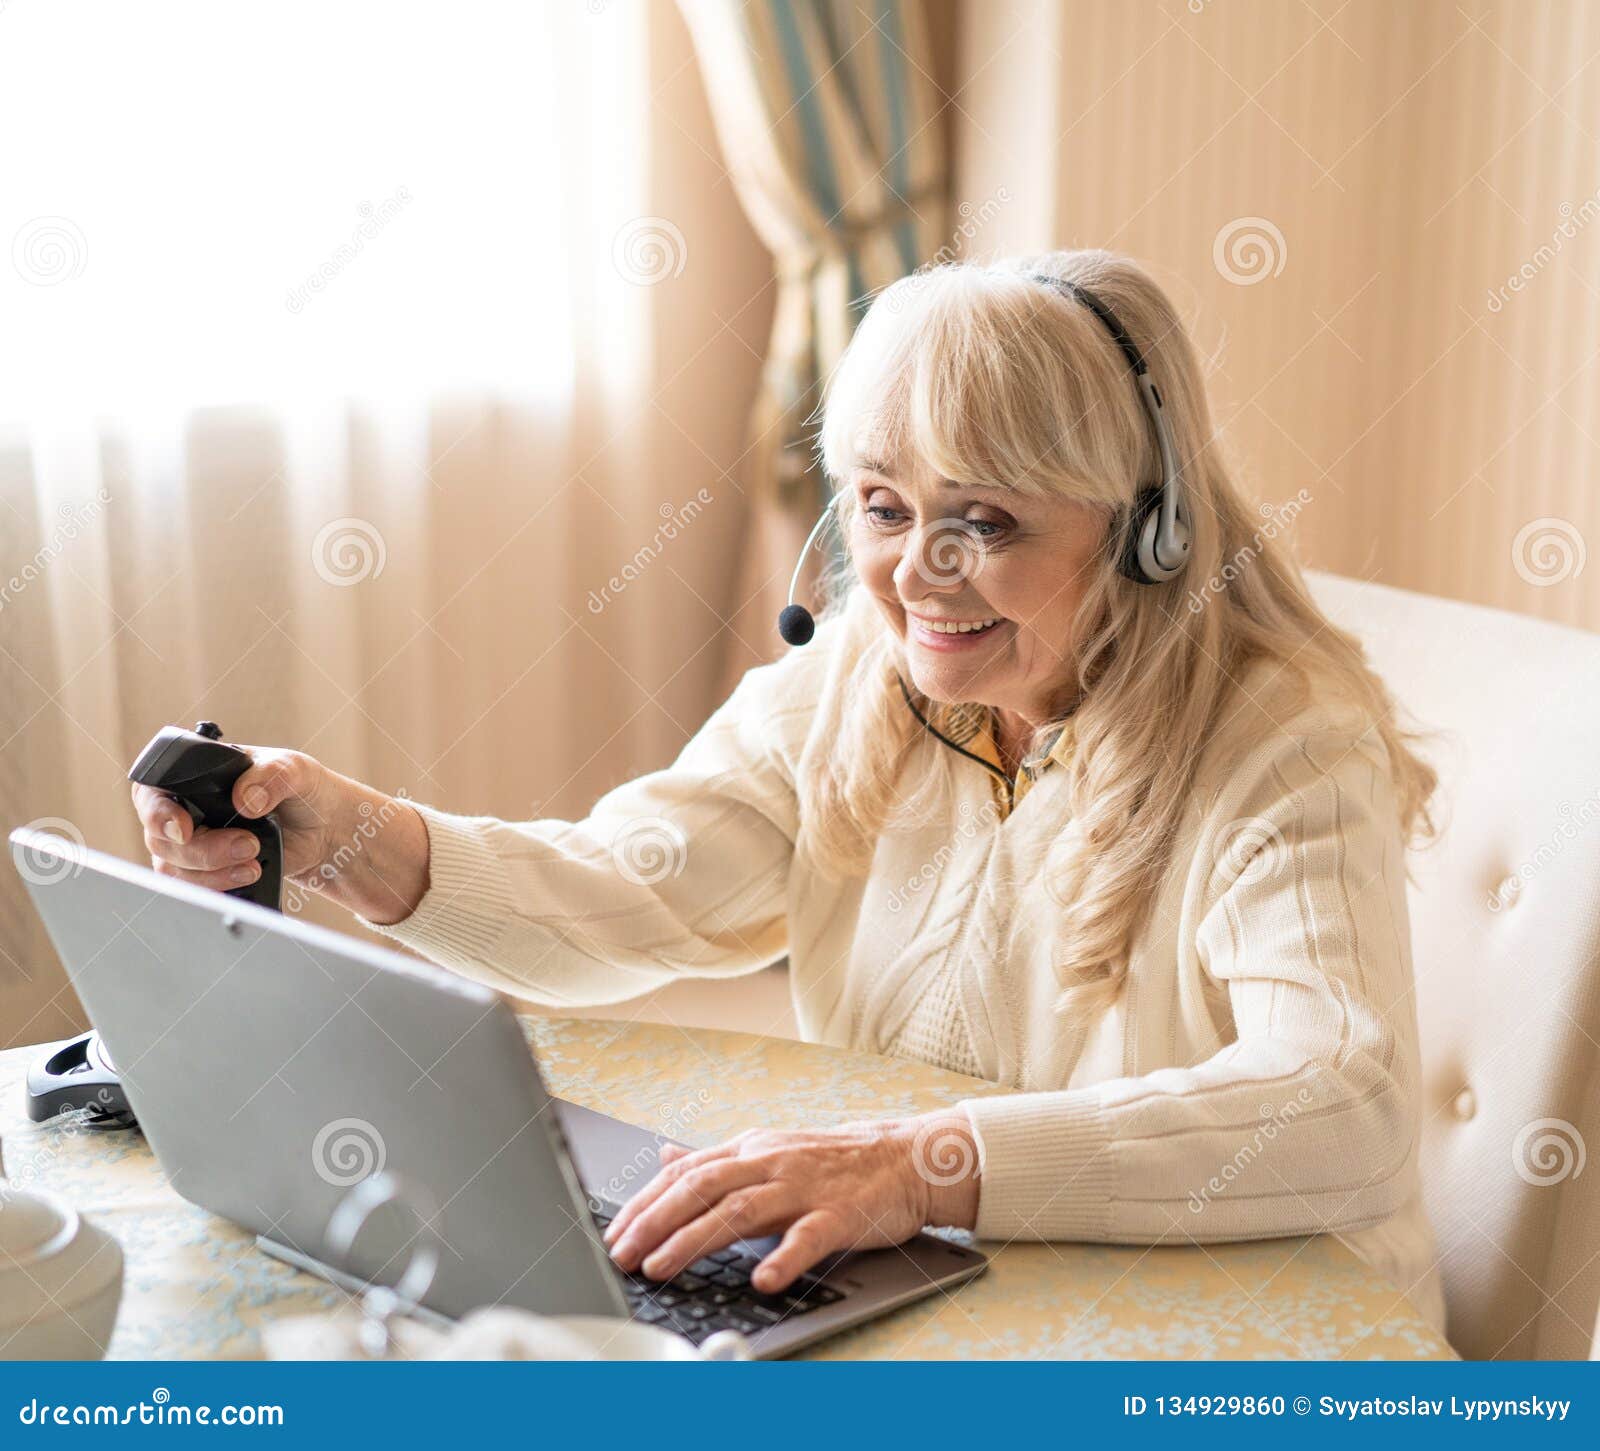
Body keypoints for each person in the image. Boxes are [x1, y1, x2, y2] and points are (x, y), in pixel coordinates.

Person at [132, 250, 1446, 1332]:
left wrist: (921, 1164)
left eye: (983, 521)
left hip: (1247, 1341)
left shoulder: (1284, 740)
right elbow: (618, 896)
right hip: (972, 1304)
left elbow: (1346, 1101)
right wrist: (347, 832)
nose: (915, 575)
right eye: (881, 506)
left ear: (1147, 523)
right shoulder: (854, 688)